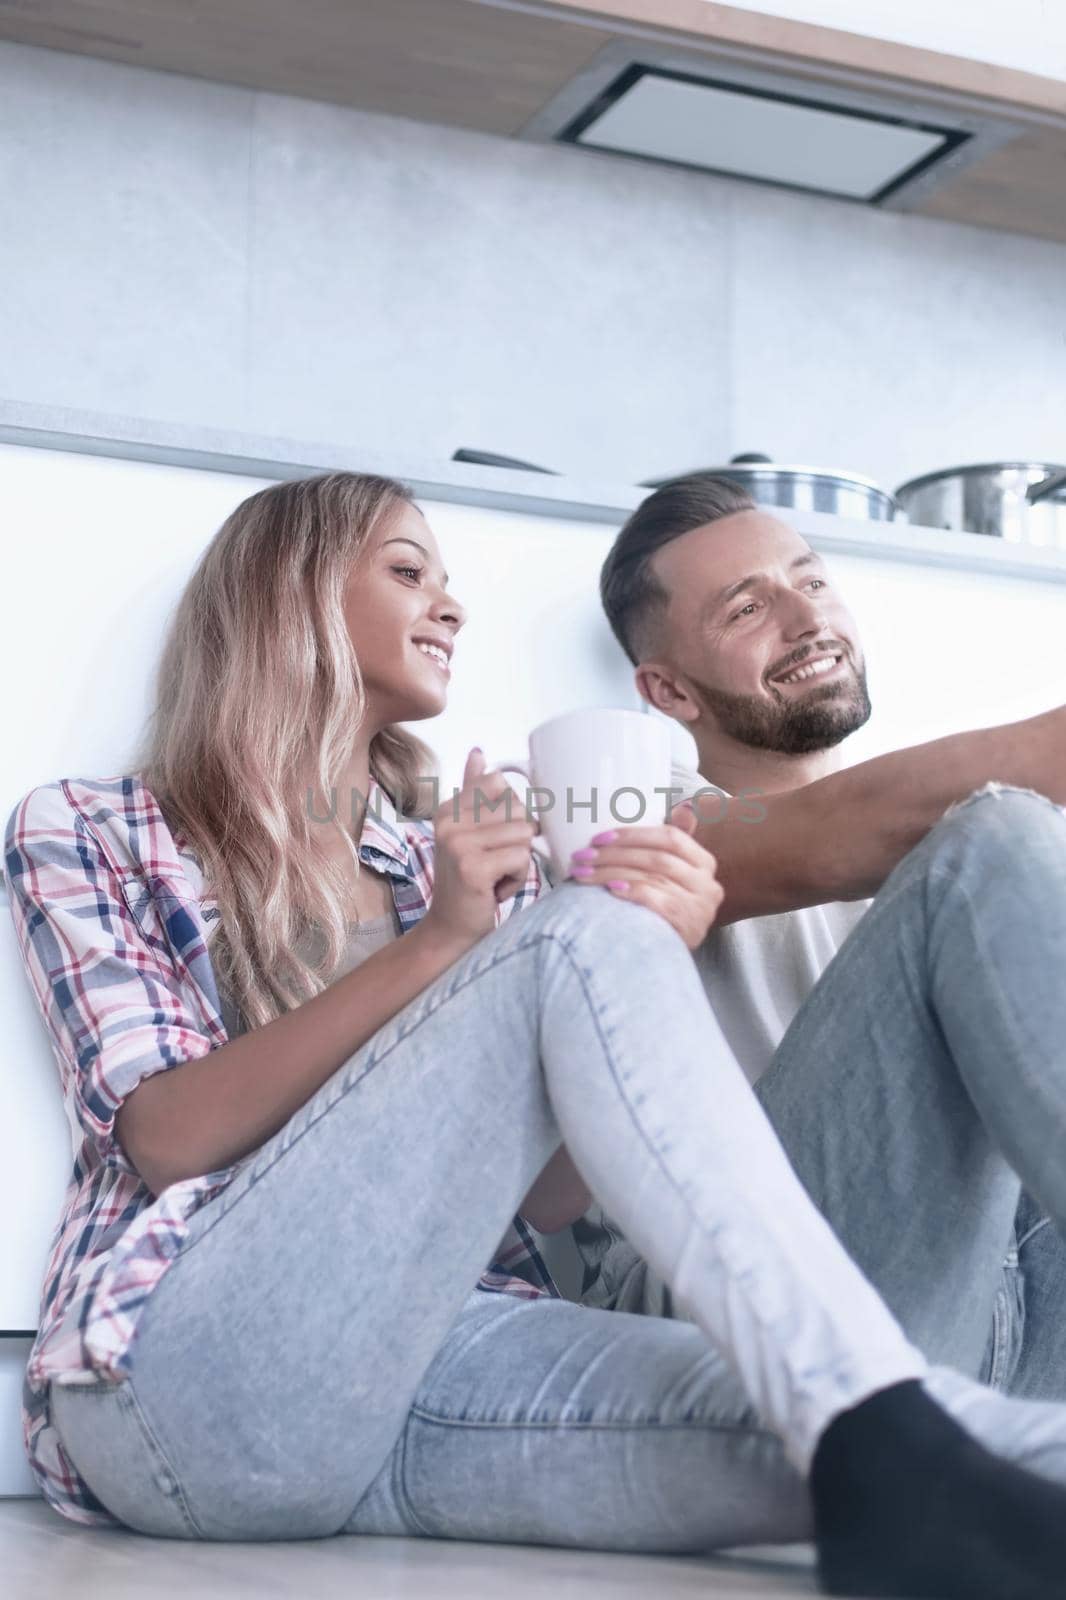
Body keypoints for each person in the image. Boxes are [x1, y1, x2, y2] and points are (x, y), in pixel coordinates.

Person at [8, 471, 1066, 1600]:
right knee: (584, 930)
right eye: (410, 572)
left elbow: (550, 1198)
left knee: (956, 1447)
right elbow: (166, 1133)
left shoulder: (439, 853)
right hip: (192, 1370)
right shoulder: (94, 825)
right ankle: (874, 1426)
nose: (453, 605)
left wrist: (642, 951)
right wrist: (456, 943)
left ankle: (878, 1433)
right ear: (288, 597)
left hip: (453, 1361)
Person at [533, 471, 1066, 1426]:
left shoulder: (949, 874)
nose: (803, 617)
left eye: (811, 582)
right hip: (730, 1316)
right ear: (666, 690)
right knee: (997, 837)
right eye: (747, 607)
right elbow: (848, 826)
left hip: (991, 1297)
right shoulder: (628, 819)